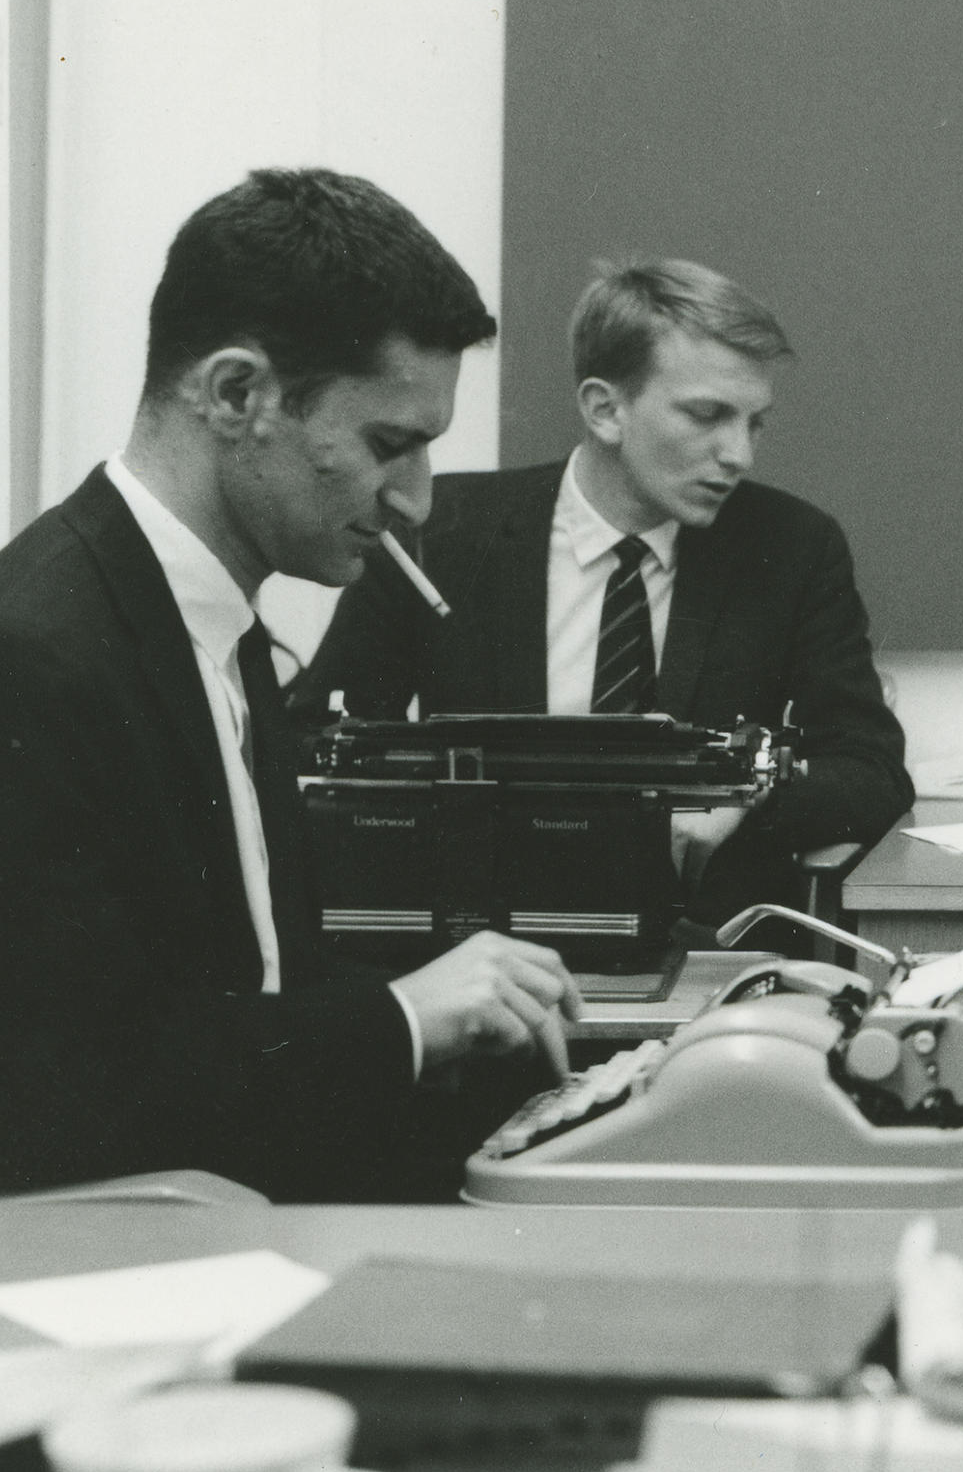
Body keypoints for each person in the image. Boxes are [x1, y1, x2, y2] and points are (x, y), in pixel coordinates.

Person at [0, 169, 585, 1200]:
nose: (416, 501)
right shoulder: (34, 652)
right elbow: (69, 1091)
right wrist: (407, 1017)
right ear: (236, 396)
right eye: (387, 445)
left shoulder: (207, 627)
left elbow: (252, 996)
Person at [293, 260, 913, 929]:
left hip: (706, 948)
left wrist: (747, 799)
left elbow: (870, 769)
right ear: (605, 409)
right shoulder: (437, 535)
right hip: (477, 944)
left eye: (754, 423)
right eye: (707, 416)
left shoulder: (791, 547)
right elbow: (308, 741)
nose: (738, 454)